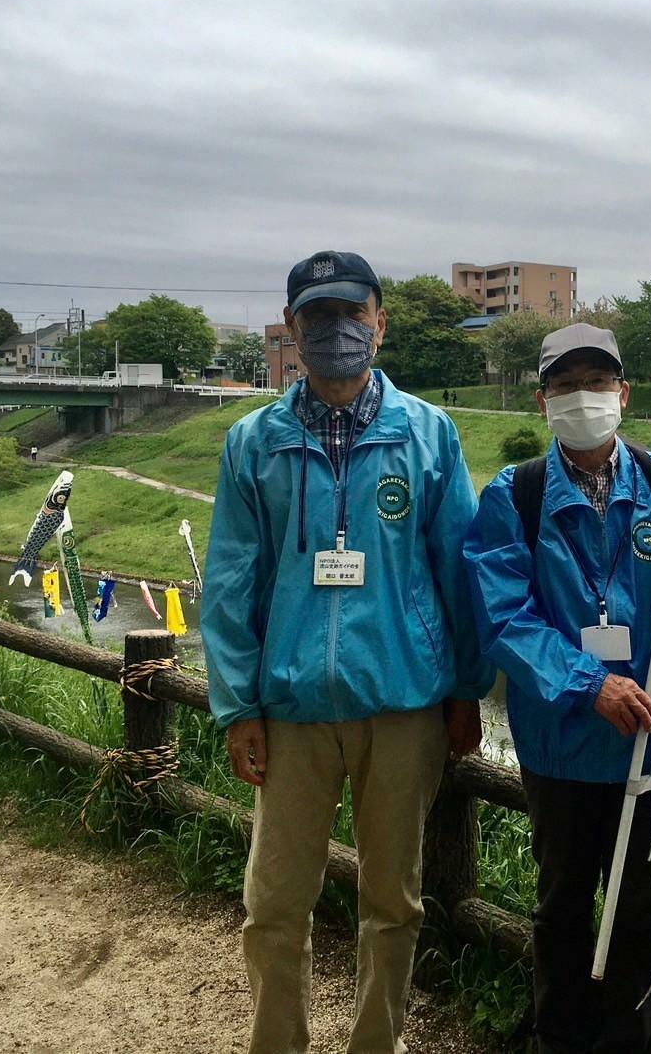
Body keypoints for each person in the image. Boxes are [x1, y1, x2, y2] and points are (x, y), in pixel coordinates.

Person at [202, 249, 491, 1054]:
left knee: (393, 902)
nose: (336, 332)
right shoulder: (252, 442)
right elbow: (230, 580)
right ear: (293, 328)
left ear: (379, 322)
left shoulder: (428, 436)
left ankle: (377, 1043)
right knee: (272, 903)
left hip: (402, 704)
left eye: (350, 314)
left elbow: (458, 569)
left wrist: (465, 688)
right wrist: (237, 705)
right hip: (290, 709)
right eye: (318, 317)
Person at [463, 324, 651, 1054]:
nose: (583, 397)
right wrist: (587, 683)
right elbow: (502, 615)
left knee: (639, 914)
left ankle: (630, 1041)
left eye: (597, 382)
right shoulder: (517, 494)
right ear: (543, 400)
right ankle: (556, 1038)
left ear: (623, 394)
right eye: (565, 385)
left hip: (648, 746)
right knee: (561, 905)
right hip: (562, 745)